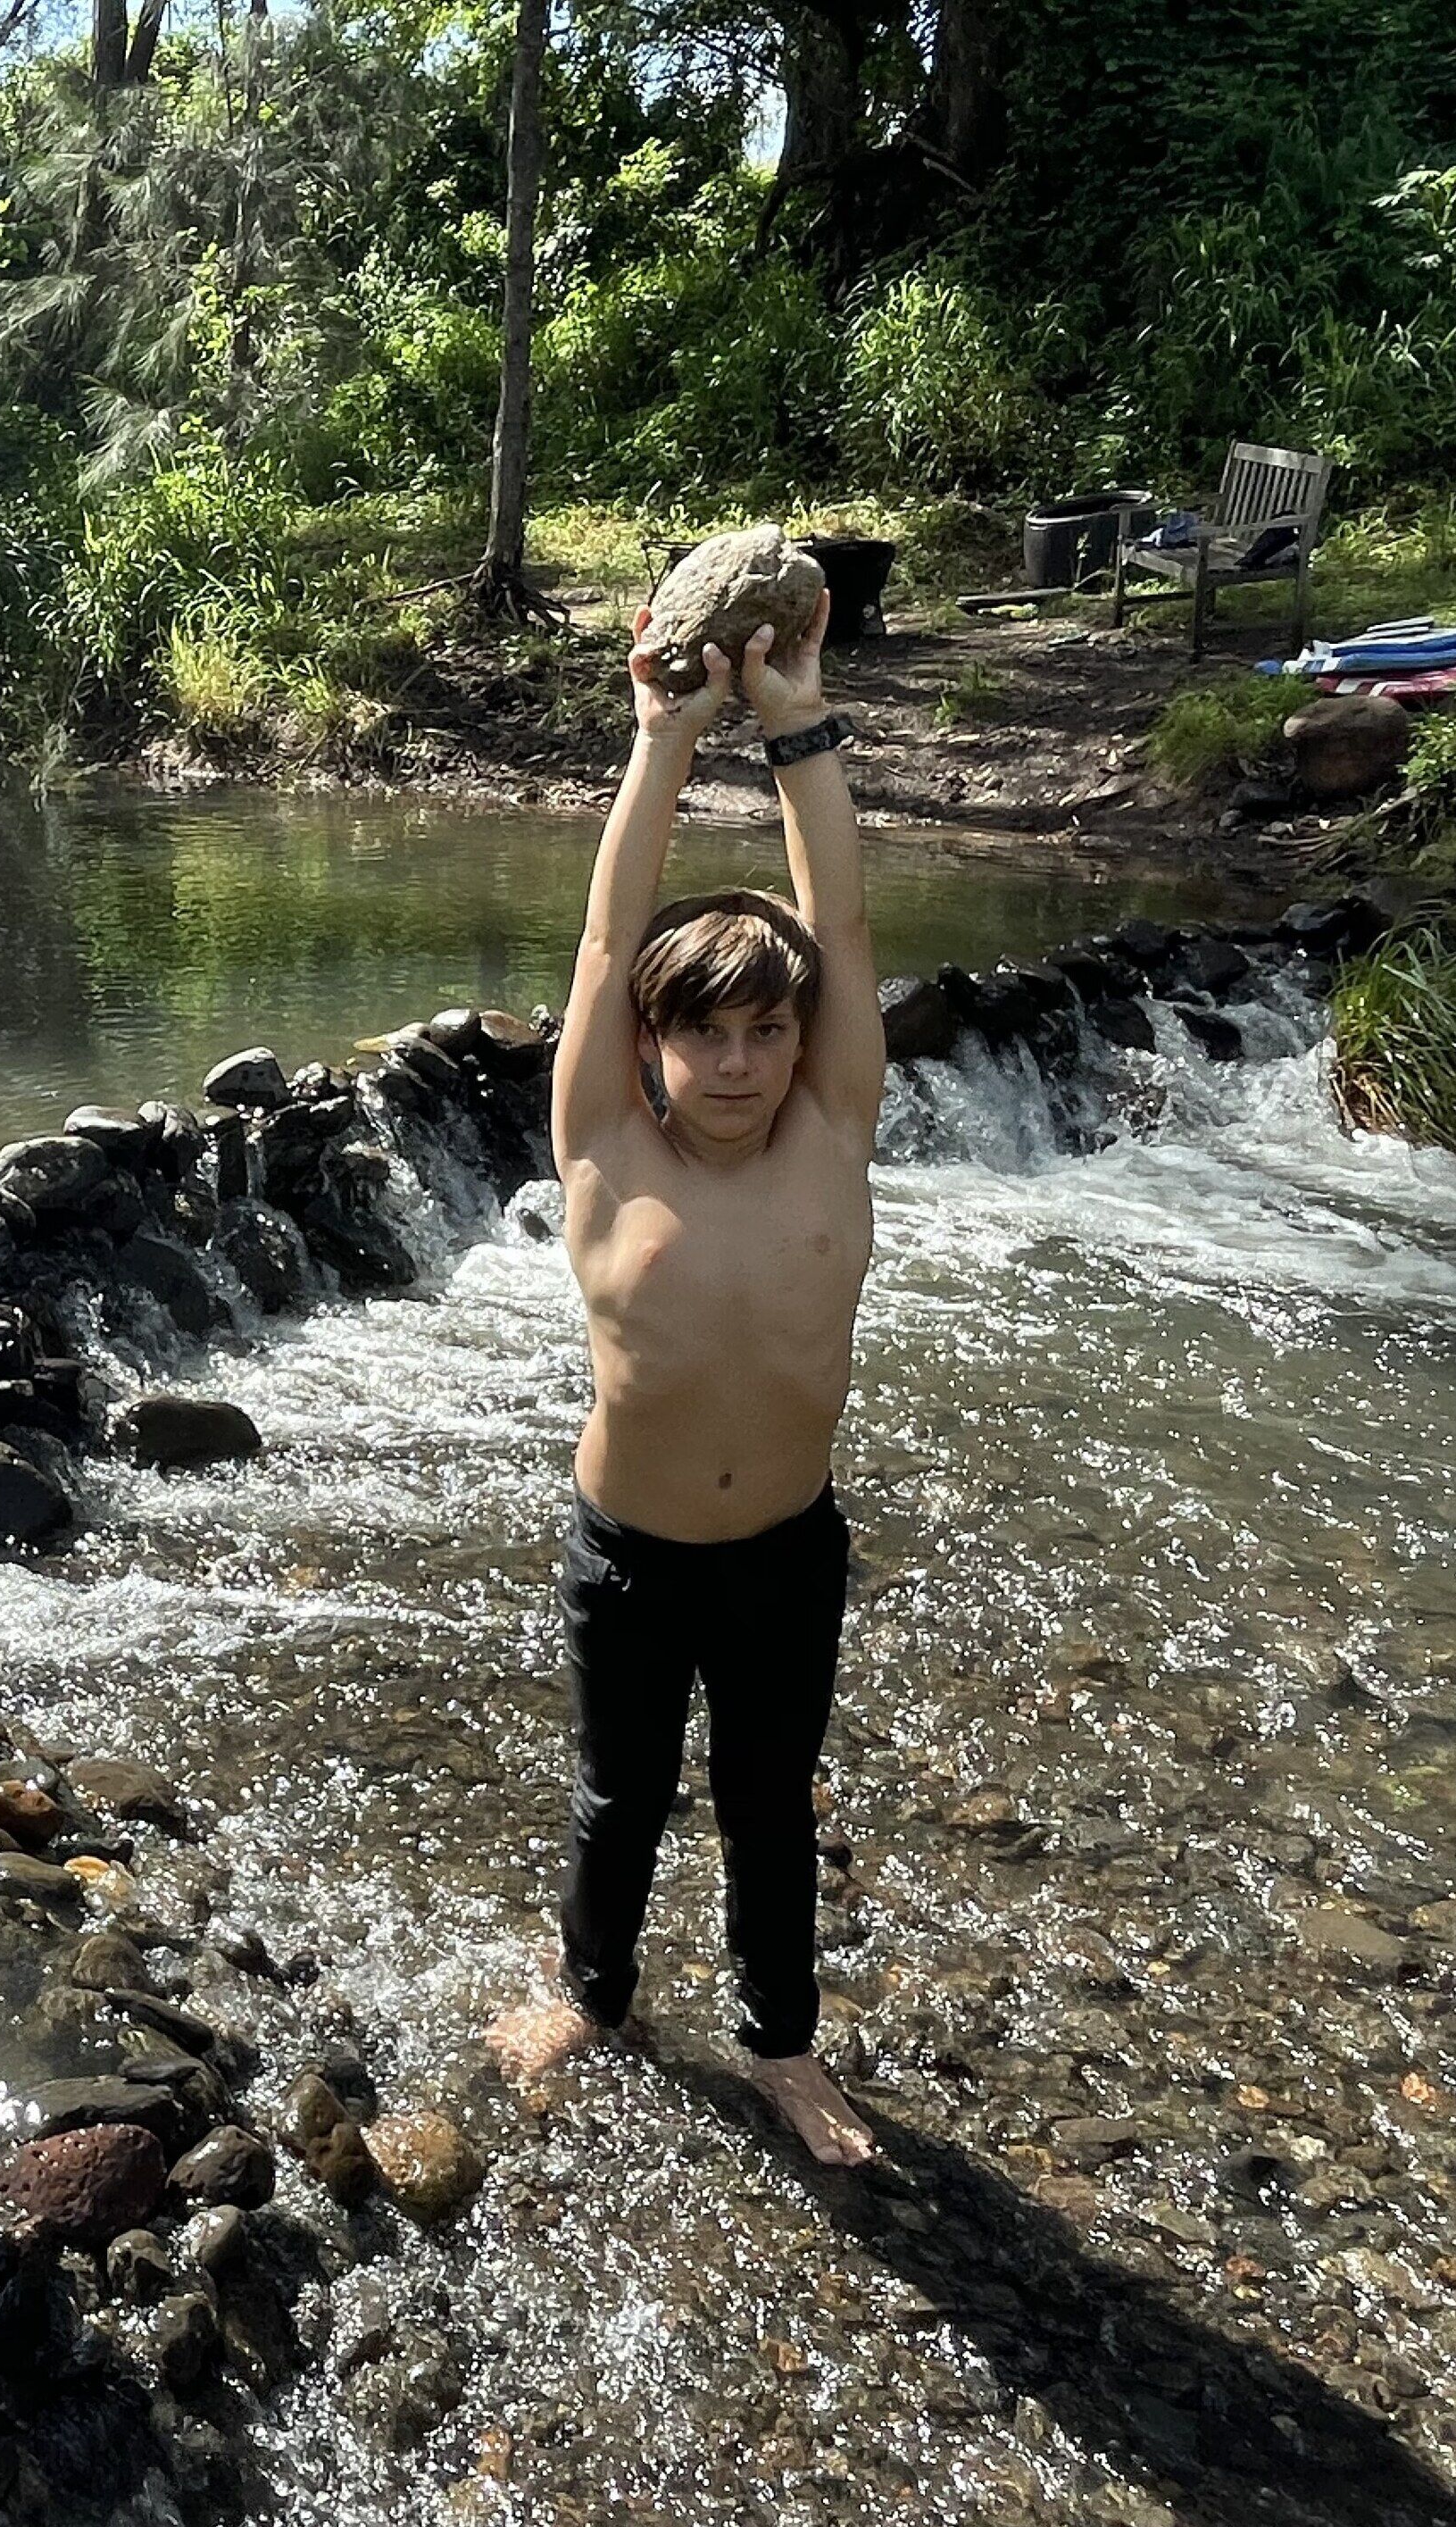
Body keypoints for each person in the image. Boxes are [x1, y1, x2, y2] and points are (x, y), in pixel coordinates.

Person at [487, 592, 884, 2168]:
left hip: (788, 1551)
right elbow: (603, 939)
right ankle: (592, 1993)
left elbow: (841, 928)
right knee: (620, 1799)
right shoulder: (601, 1146)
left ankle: (782, 2047)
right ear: (650, 1049)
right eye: (704, 1036)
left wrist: (793, 728)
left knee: (771, 1804)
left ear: (806, 1043)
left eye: (768, 1032)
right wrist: (661, 739)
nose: (737, 1064)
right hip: (631, 1555)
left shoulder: (833, 1134)